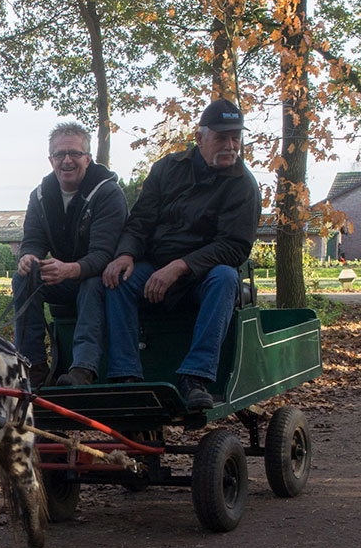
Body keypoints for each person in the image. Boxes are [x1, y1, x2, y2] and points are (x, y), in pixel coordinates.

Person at [102, 99, 261, 409]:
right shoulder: (167, 169)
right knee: (117, 279)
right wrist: (125, 254)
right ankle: (126, 376)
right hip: (154, 270)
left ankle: (195, 378)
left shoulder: (244, 185)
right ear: (200, 138)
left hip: (202, 278)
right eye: (221, 137)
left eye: (236, 138)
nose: (230, 145)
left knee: (226, 278)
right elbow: (141, 221)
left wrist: (181, 266)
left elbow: (235, 246)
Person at [13, 122, 128, 388]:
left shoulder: (108, 193)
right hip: (67, 278)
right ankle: (33, 367)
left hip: (105, 279)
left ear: (88, 158)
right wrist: (28, 257)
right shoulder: (40, 195)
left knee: (92, 282)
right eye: (60, 154)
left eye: (75, 154)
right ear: (50, 159)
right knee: (24, 280)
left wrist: (70, 269)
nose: (67, 160)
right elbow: (33, 239)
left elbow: (104, 254)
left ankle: (83, 369)